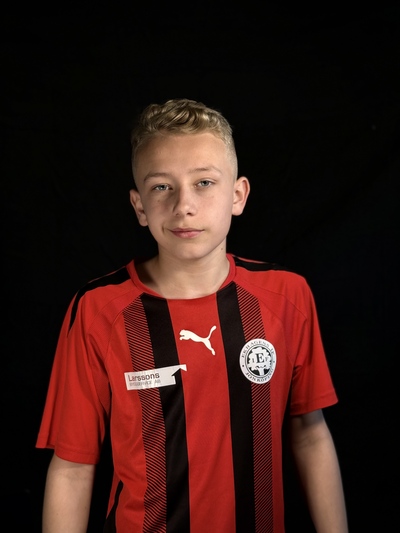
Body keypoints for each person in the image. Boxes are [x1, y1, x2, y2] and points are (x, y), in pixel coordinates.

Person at [36, 98, 348, 532]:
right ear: (139, 206)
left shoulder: (286, 296)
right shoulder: (97, 310)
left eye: (204, 182)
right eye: (162, 187)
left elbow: (310, 433)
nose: (184, 205)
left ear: (237, 195)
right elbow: (72, 466)